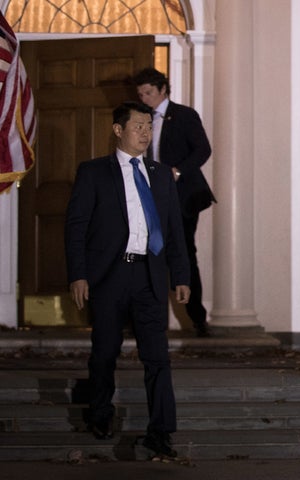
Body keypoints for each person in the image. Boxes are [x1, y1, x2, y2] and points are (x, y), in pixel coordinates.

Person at [65, 101, 191, 458]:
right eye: (138, 126)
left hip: (149, 276)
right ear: (118, 130)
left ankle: (161, 431)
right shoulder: (93, 172)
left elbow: (174, 231)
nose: (145, 133)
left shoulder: (161, 174)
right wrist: (78, 274)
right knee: (104, 352)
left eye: (149, 127)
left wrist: (180, 275)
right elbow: (76, 228)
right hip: (109, 276)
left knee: (158, 359)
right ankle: (100, 414)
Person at [133, 67, 215, 337]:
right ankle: (142, 319)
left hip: (182, 196)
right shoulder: (139, 118)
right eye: (140, 93)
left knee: (183, 254)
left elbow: (203, 149)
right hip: (149, 196)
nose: (144, 98)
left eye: (149, 92)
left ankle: (198, 320)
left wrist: (177, 171)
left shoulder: (183, 115)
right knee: (145, 253)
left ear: (163, 90)